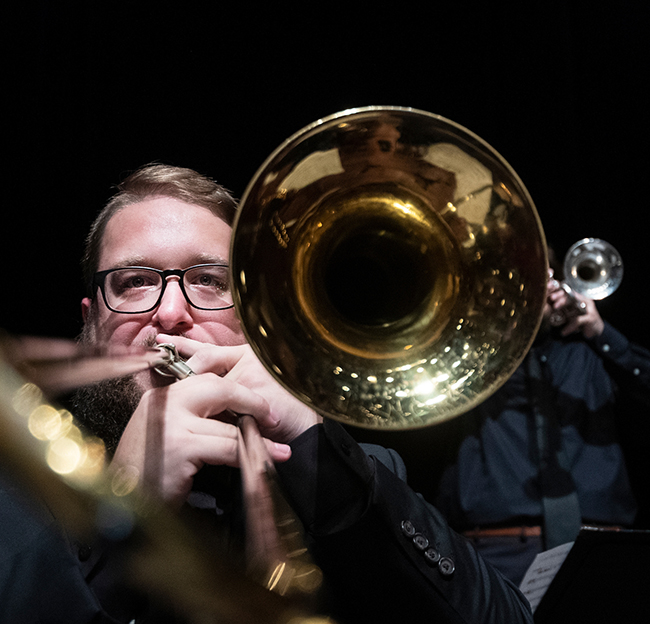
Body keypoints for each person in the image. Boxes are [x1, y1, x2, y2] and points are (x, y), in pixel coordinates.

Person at [0, 163, 534, 623]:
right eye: (135, 281)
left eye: (208, 280)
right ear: (91, 324)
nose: (170, 314)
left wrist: (316, 447)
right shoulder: (20, 488)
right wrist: (121, 518)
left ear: (253, 320)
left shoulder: (355, 472)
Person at [432, 250, 650, 586]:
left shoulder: (591, 354)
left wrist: (600, 331)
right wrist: (501, 325)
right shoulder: (474, 363)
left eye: (546, 276)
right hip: (496, 553)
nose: (541, 288)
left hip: (601, 549)